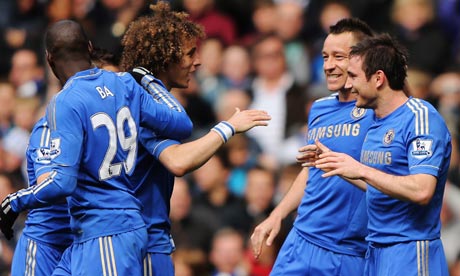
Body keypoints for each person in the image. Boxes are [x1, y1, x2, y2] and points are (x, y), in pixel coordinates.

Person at [0, 19, 193, 275]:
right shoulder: (124, 84)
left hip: (107, 230)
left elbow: (62, 183)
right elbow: (180, 123)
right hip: (91, 234)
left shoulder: (65, 102)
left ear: (49, 59)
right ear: (90, 48)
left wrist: (15, 201)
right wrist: (148, 79)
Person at [119, 2, 271, 275]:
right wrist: (229, 127)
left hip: (146, 235)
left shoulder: (147, 101)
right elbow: (178, 161)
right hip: (138, 240)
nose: (197, 61)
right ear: (166, 59)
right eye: (190, 54)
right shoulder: (144, 104)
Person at [314, 33, 452, 276]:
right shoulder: (376, 121)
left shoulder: (420, 119)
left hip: (411, 251)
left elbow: (422, 190)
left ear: (378, 78)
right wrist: (333, 163)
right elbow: (382, 185)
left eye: (354, 76)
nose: (349, 84)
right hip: (376, 251)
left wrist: (361, 169)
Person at [250, 18, 375, 275]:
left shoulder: (378, 112)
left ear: (363, 59)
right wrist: (277, 215)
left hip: (350, 252)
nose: (328, 66)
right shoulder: (319, 109)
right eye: (325, 56)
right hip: (301, 241)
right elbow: (310, 171)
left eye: (338, 56)